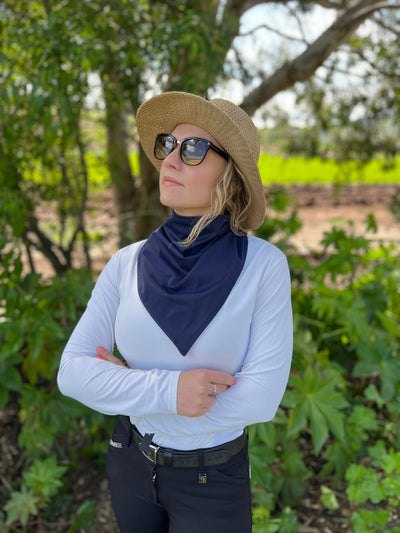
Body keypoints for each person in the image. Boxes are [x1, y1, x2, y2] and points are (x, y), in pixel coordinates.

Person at [57, 91, 293, 533]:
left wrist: (123, 384)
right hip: (130, 463)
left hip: (212, 480)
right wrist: (171, 392)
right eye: (169, 145)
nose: (170, 160)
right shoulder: (126, 263)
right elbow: (72, 373)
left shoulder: (264, 266)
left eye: (195, 148)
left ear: (232, 175)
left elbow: (261, 398)